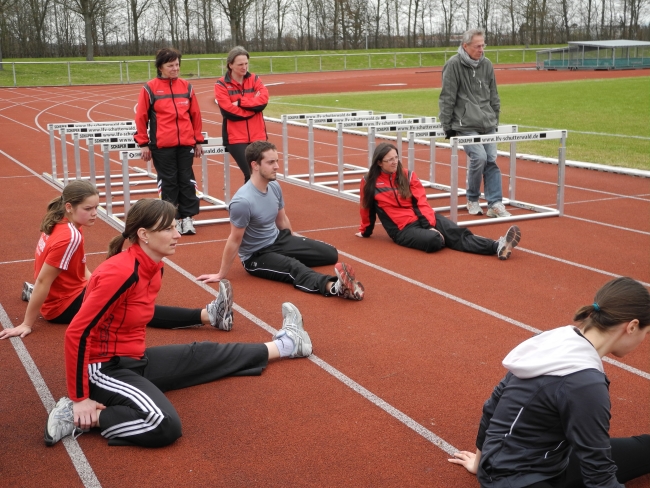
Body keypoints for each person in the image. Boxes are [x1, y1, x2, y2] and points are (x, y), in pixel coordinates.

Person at [44, 198, 312, 448]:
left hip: (133, 360)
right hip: (103, 369)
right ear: (144, 235)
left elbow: (148, 314)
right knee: (163, 424)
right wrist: (80, 399)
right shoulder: (121, 272)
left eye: (175, 227)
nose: (177, 235)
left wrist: (202, 316)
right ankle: (77, 415)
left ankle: (288, 344)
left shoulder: (153, 266)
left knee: (205, 353)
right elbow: (77, 333)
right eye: (169, 229)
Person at [448, 276, 650, 487]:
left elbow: (492, 405)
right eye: (647, 333)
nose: (644, 340)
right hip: (519, 480)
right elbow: (599, 476)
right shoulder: (586, 384)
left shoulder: (555, 341)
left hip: (539, 461)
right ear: (633, 326)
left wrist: (480, 463)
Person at [0, 180, 230, 341]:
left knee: (117, 291)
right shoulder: (69, 237)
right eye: (88, 209)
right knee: (133, 306)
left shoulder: (60, 223)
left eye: (97, 207)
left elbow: (76, 268)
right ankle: (209, 315)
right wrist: (27, 324)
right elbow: (43, 280)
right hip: (62, 306)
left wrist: (94, 283)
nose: (94, 213)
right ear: (69, 207)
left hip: (67, 293)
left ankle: (38, 299)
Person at [197, 141, 364, 300]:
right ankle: (334, 287)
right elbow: (234, 240)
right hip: (257, 255)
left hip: (278, 240)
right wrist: (221, 274)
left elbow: (282, 219)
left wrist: (293, 243)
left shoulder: (274, 186)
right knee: (294, 267)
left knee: (330, 254)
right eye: (271, 162)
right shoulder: (242, 202)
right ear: (255, 165)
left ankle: (291, 262)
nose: (277, 166)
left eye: (277, 161)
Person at [357, 143, 521, 260]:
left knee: (458, 233)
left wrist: (429, 225)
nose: (395, 162)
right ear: (379, 162)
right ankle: (440, 237)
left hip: (426, 217)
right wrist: (365, 231)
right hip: (403, 228)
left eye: (396, 157)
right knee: (434, 241)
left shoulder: (408, 176)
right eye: (389, 160)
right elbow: (366, 210)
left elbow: (420, 202)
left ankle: (497, 246)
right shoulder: (369, 182)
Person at [439, 28, 510, 219]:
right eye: (477, 46)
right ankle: (472, 198)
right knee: (479, 157)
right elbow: (447, 97)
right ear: (465, 46)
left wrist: (494, 119)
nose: (481, 49)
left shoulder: (486, 64)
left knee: (491, 159)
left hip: (487, 123)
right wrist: (447, 126)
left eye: (483, 45)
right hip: (465, 124)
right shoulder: (453, 65)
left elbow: (493, 94)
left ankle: (495, 203)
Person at [134, 47, 205, 236]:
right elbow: (141, 117)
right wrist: (143, 143)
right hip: (162, 145)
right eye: (170, 65)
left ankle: (188, 218)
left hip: (185, 145)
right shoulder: (149, 88)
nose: (175, 68)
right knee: (169, 183)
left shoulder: (187, 87)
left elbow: (195, 115)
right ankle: (171, 219)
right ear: (160, 67)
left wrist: (198, 140)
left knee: (187, 181)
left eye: (177, 64)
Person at [214, 46, 269, 184]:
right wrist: (252, 109)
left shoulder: (255, 79)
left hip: (258, 135)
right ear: (230, 65)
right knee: (251, 173)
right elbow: (228, 111)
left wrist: (239, 102)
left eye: (246, 63)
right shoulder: (221, 84)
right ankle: (248, 204)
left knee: (262, 174)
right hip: (236, 138)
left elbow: (263, 101)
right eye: (240, 64)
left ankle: (253, 204)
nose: (244, 67)